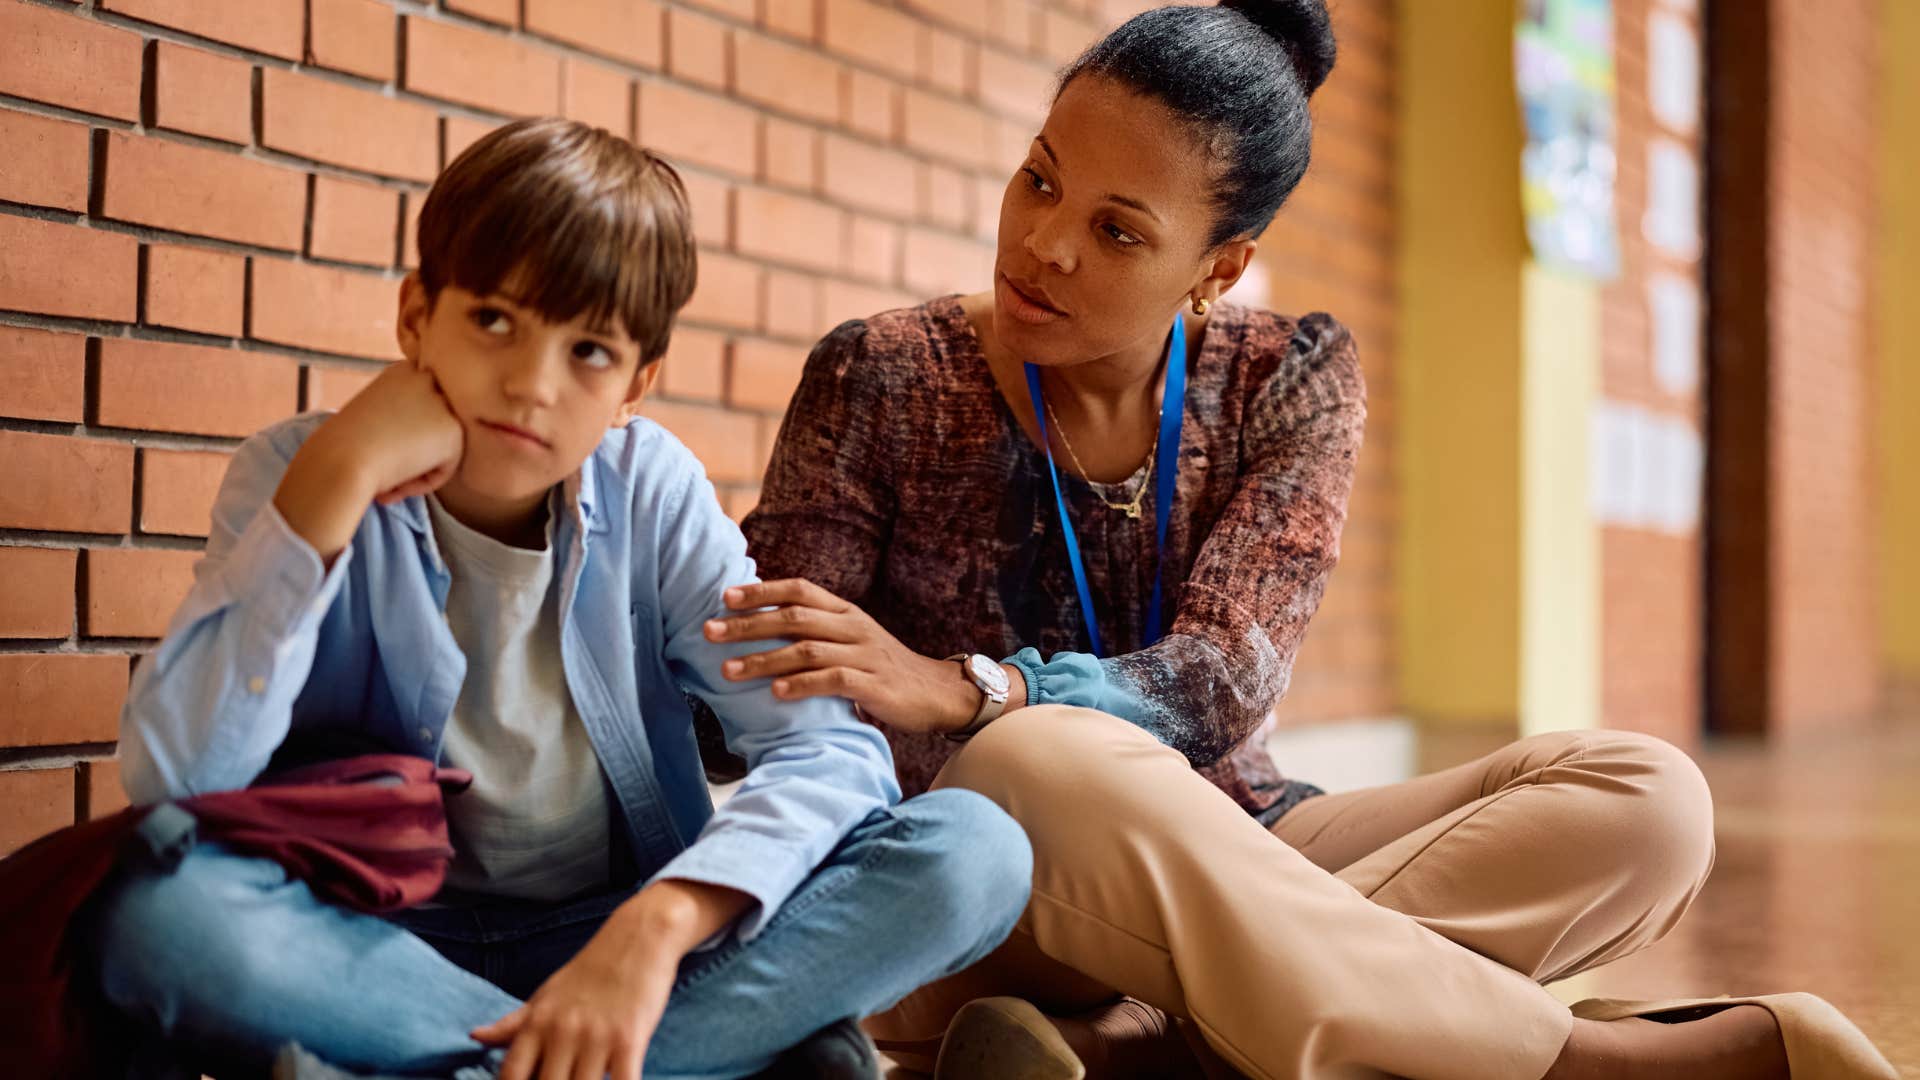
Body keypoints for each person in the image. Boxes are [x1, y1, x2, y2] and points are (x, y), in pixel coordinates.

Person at [716, 3, 1899, 1078]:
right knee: (1043, 762)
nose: (1046, 245)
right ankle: (1589, 1065)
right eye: (1039, 181)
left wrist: (968, 687)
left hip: (1245, 834)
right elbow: (775, 695)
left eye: (1120, 232)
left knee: (1648, 803)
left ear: (1217, 267)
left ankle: (1144, 1044)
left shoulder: (1291, 375)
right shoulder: (878, 371)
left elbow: (1225, 677)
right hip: (982, 873)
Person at [85, 118, 1033, 1080]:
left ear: (637, 383)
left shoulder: (649, 487)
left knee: (974, 850)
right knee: (159, 913)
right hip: (380, 945)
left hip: (620, 937)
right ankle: (673, 1061)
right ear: (417, 317)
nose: (532, 385)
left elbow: (823, 748)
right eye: (494, 319)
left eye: (587, 350)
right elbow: (178, 779)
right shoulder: (299, 474)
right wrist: (338, 476)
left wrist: (660, 925)